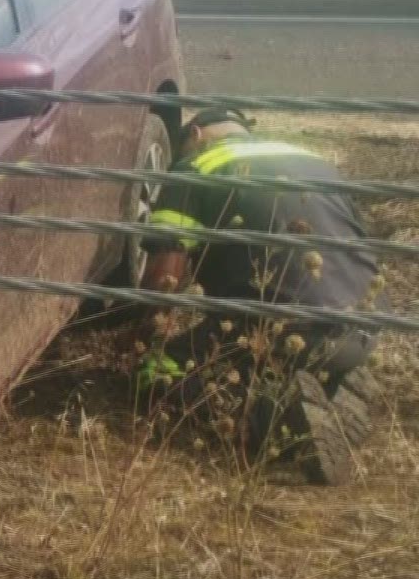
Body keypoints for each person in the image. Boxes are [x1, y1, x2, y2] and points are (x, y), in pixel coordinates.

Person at [137, 110, 381, 485]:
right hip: (365, 324)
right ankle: (338, 382)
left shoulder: (195, 165)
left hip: (285, 328)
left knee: (158, 372)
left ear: (196, 134)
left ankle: (281, 415)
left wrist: (146, 334)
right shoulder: (312, 160)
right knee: (288, 346)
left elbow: (165, 272)